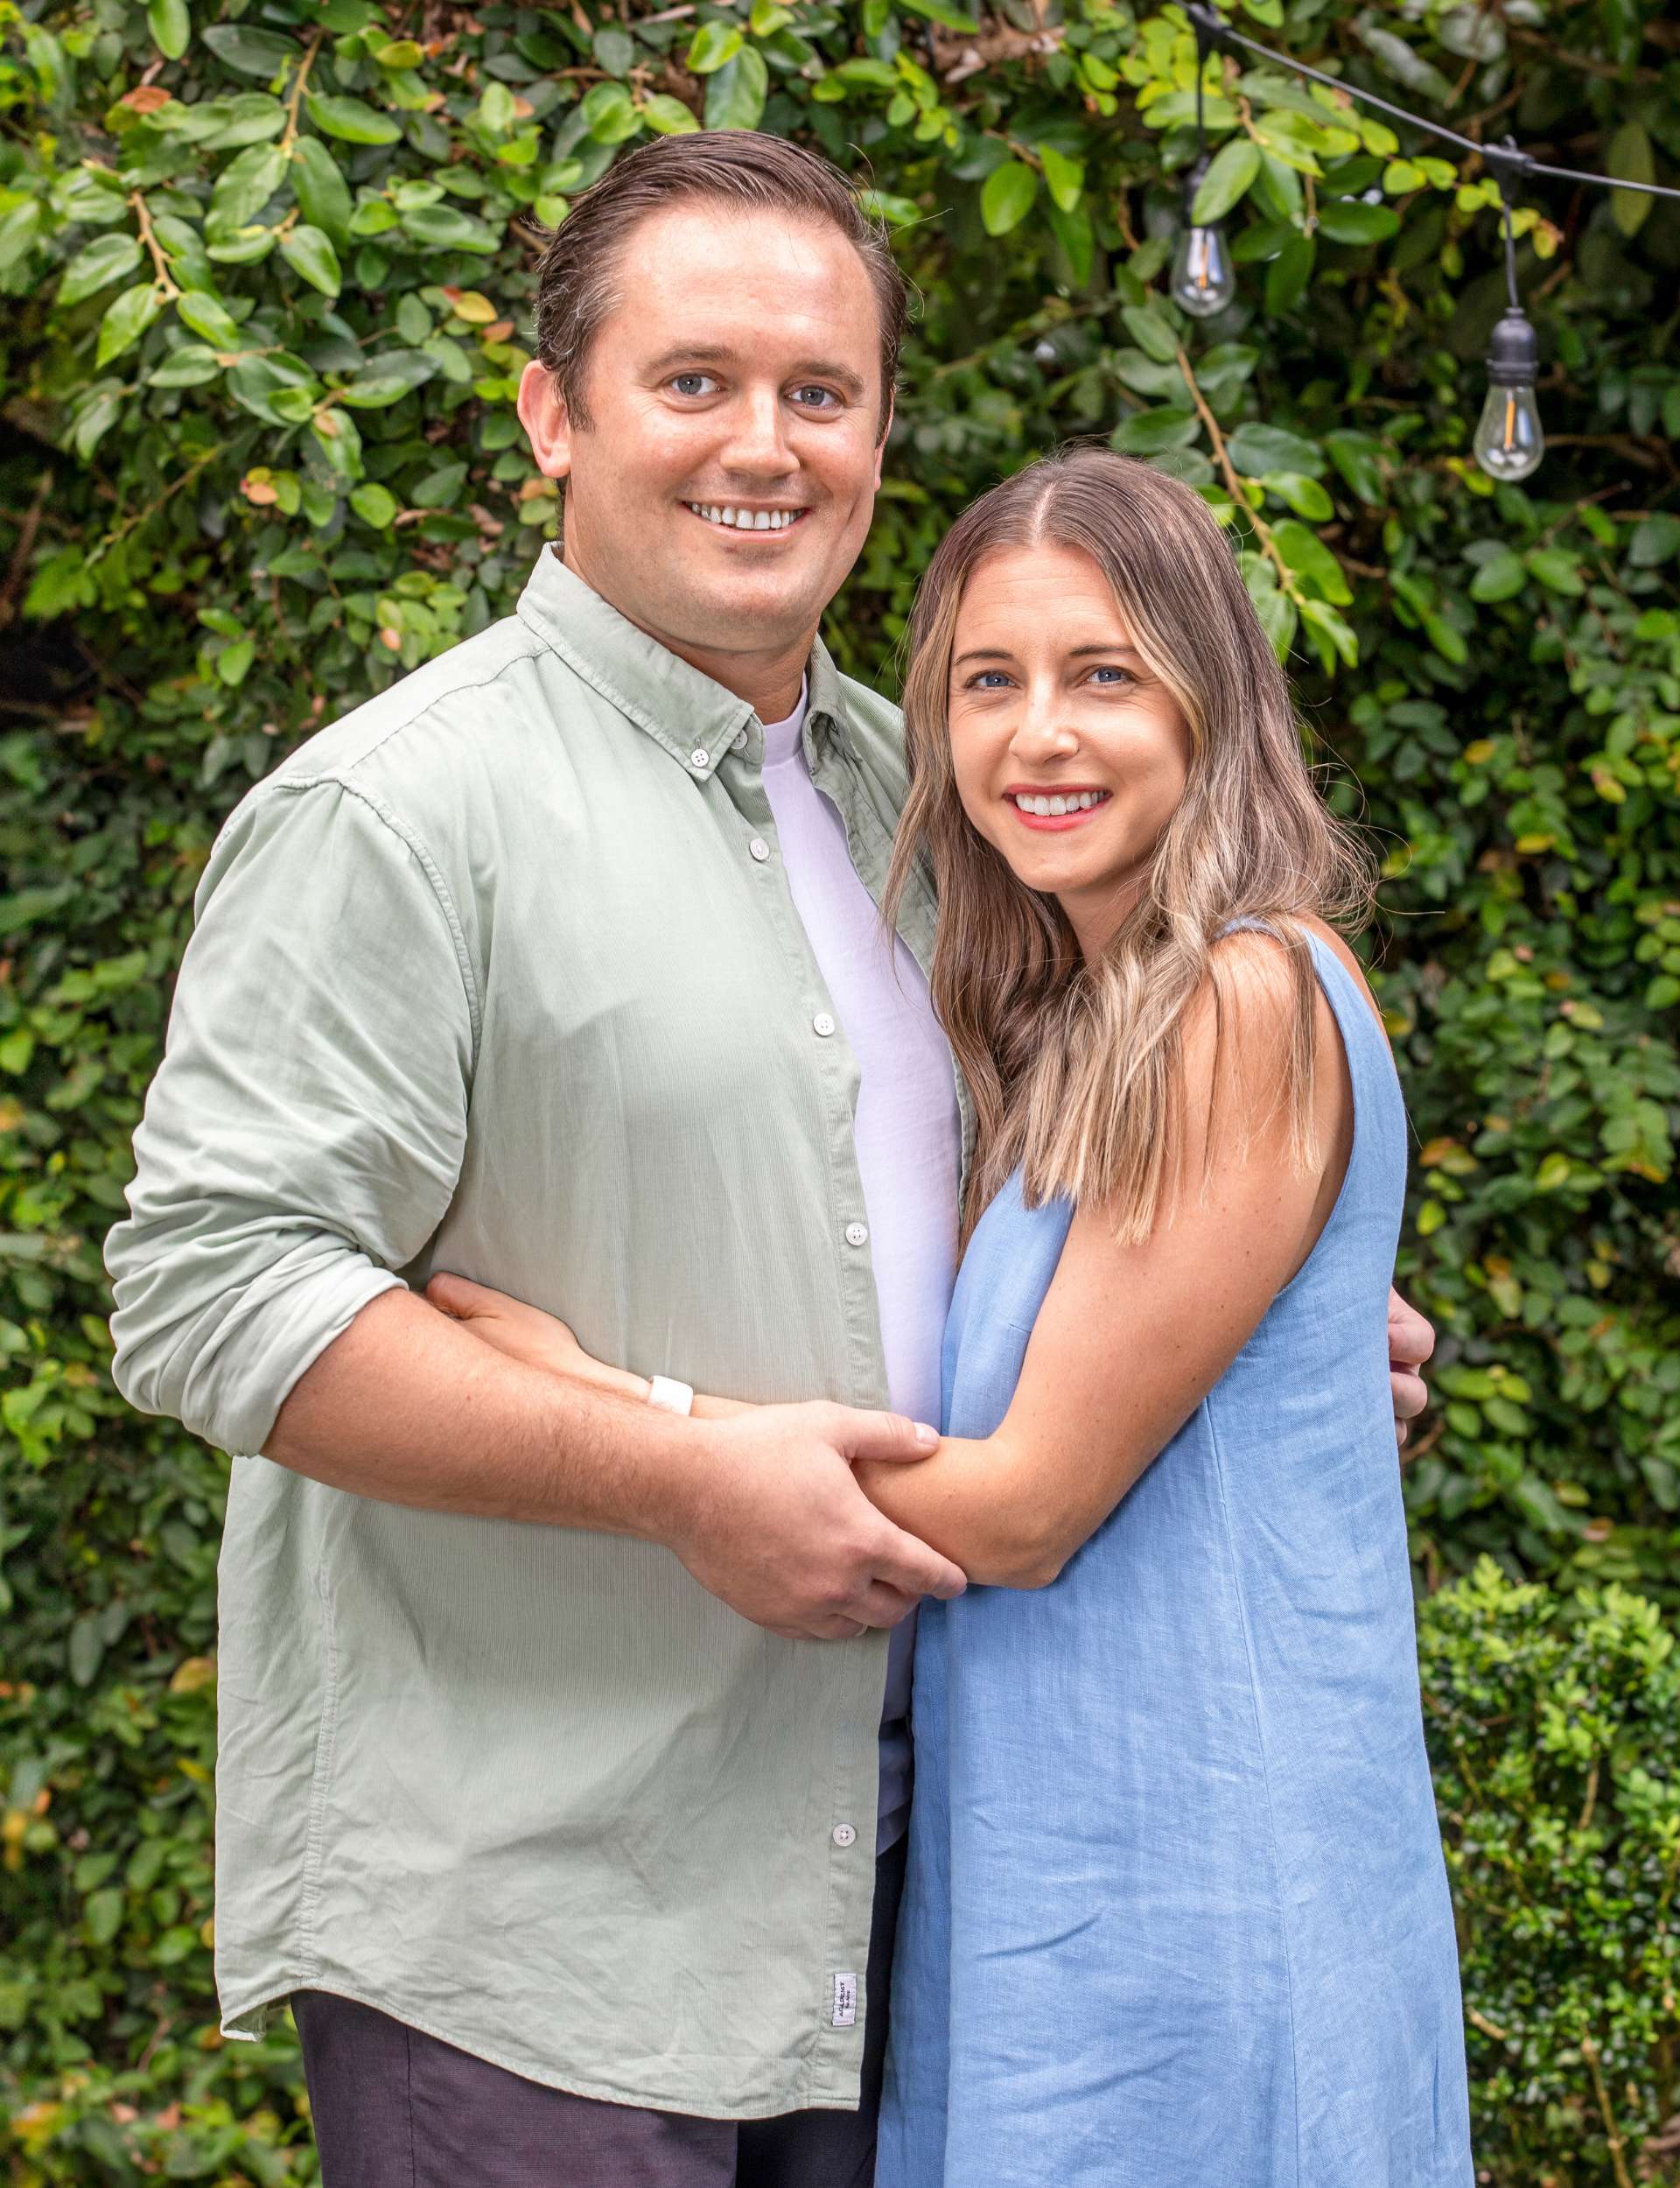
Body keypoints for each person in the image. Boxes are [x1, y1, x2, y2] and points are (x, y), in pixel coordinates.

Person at [103, 130, 1434, 2184]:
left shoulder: (938, 800)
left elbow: (1091, 1197)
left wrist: (1266, 1334)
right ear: (555, 414)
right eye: (695, 379)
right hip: (544, 1918)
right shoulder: (395, 809)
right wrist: (667, 1463)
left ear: (882, 435)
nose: (767, 443)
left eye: (822, 393)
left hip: (896, 1897)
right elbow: (210, 1291)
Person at [433, 447, 1473, 2184]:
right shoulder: (1091, 1021)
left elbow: (1024, 1505)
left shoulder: (1242, 994)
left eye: (1104, 675)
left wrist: (610, 1408)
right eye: (990, 681)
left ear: (1212, 703)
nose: (1038, 734)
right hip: (1057, 1867)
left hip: (1200, 1880)